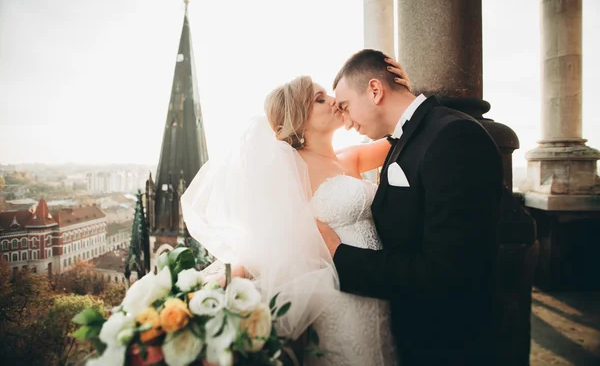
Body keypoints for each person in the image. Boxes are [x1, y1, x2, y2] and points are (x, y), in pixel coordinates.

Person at [181, 60, 410, 366]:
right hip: (341, 302)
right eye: (319, 99)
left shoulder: (351, 157)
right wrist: (218, 283)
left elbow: (406, 132)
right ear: (300, 120)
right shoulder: (289, 173)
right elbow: (264, 241)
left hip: (381, 291)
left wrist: (400, 89)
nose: (333, 100)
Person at [318, 49, 504, 366]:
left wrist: (342, 257)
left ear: (375, 90)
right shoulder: (408, 139)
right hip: (413, 336)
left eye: (347, 107)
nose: (347, 122)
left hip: (450, 344)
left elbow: (447, 274)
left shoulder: (453, 136)